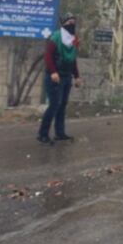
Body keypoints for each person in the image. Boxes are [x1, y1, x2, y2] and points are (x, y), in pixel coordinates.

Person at [37, 13, 81, 145]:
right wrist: (52, 72)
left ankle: (60, 133)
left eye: (74, 22)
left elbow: (73, 59)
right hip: (55, 76)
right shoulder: (56, 37)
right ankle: (43, 134)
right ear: (63, 24)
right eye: (69, 22)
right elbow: (48, 56)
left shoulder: (73, 40)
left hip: (67, 76)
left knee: (62, 105)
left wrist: (77, 76)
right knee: (54, 104)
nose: (72, 25)